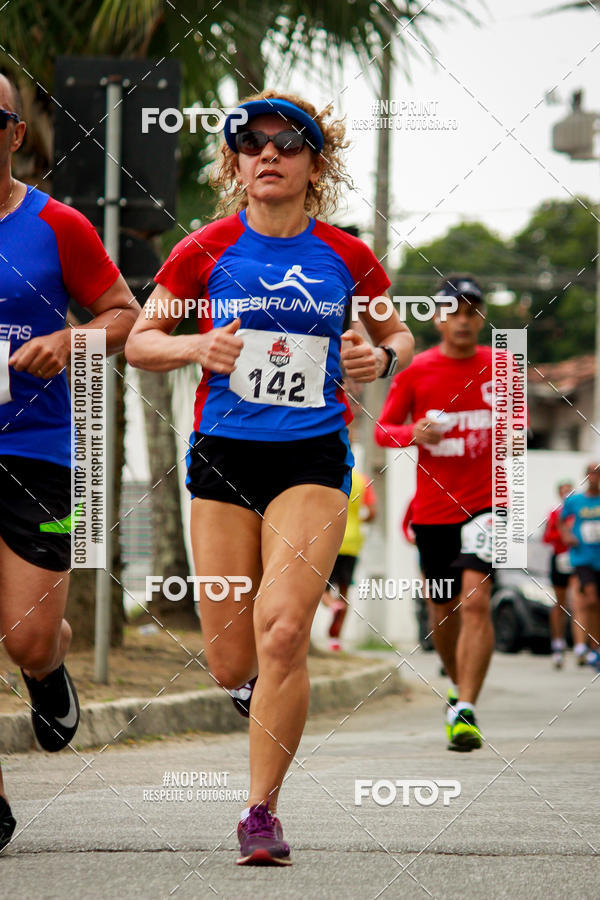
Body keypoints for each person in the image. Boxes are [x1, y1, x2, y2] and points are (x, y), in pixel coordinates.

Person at [125, 90, 414, 865]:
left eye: (288, 143)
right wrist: (195, 350)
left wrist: (379, 357)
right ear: (237, 163)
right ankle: (261, 707)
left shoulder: (347, 256)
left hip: (312, 457)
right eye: (251, 143)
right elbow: (141, 340)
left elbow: (396, 330)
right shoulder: (206, 249)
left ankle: (261, 812)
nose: (268, 155)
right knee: (230, 659)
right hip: (224, 456)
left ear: (316, 164)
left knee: (284, 629)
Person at [0, 73, 139, 852]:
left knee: (25, 635)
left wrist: (69, 341)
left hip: (40, 449)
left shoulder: (58, 226)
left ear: (16, 133)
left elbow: (124, 314)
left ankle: (47, 675)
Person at [375, 275, 494, 752]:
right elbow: (383, 429)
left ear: (481, 318)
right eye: (455, 311)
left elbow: (518, 424)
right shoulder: (418, 371)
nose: (464, 320)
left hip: (489, 506)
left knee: (476, 601)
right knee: (443, 608)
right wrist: (414, 433)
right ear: (439, 318)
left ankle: (465, 707)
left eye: (472, 311)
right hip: (435, 509)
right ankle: (454, 682)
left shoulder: (503, 366)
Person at [321, 468, 376, 651]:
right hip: (352, 541)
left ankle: (331, 603)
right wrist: (359, 519)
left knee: (321, 586)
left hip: (331, 538)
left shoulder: (329, 476)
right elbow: (372, 513)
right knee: (344, 590)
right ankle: (335, 641)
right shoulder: (362, 480)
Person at [559, 463, 600, 671]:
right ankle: (594, 647)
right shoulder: (575, 500)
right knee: (591, 600)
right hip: (583, 559)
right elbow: (560, 520)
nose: (594, 477)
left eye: (598, 473)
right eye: (591, 473)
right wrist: (567, 535)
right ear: (585, 476)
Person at [542, 480, 574, 668]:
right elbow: (547, 537)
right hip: (560, 558)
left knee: (583, 601)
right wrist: (564, 536)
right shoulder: (555, 513)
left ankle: (584, 644)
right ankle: (558, 642)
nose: (567, 494)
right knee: (560, 602)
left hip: (579, 559)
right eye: (564, 491)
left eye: (569, 491)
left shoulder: (578, 511)